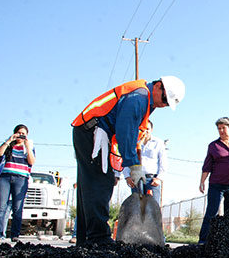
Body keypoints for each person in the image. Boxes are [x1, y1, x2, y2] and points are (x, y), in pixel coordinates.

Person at [71, 76, 185, 246]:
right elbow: (126, 133)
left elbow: (133, 137)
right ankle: (98, 239)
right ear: (158, 86)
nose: (163, 105)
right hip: (93, 132)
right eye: (164, 99)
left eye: (167, 104)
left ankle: (86, 240)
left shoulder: (144, 100)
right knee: (99, 183)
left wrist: (135, 162)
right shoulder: (138, 97)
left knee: (89, 184)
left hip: (91, 131)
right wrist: (133, 165)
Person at [0, 124, 36, 242]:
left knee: (17, 208)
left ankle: (15, 235)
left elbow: (31, 161)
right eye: (19, 133)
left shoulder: (28, 147)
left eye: (24, 134)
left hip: (21, 178)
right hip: (5, 177)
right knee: (1, 207)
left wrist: (28, 147)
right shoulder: (9, 146)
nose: (21, 136)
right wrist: (9, 141)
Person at [123, 120, 168, 206]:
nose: (145, 131)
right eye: (143, 128)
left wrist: (159, 178)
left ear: (152, 129)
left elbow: (163, 162)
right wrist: (127, 176)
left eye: (147, 129)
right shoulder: (133, 143)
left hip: (151, 180)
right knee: (136, 209)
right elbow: (126, 160)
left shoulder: (158, 143)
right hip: (136, 180)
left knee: (152, 209)